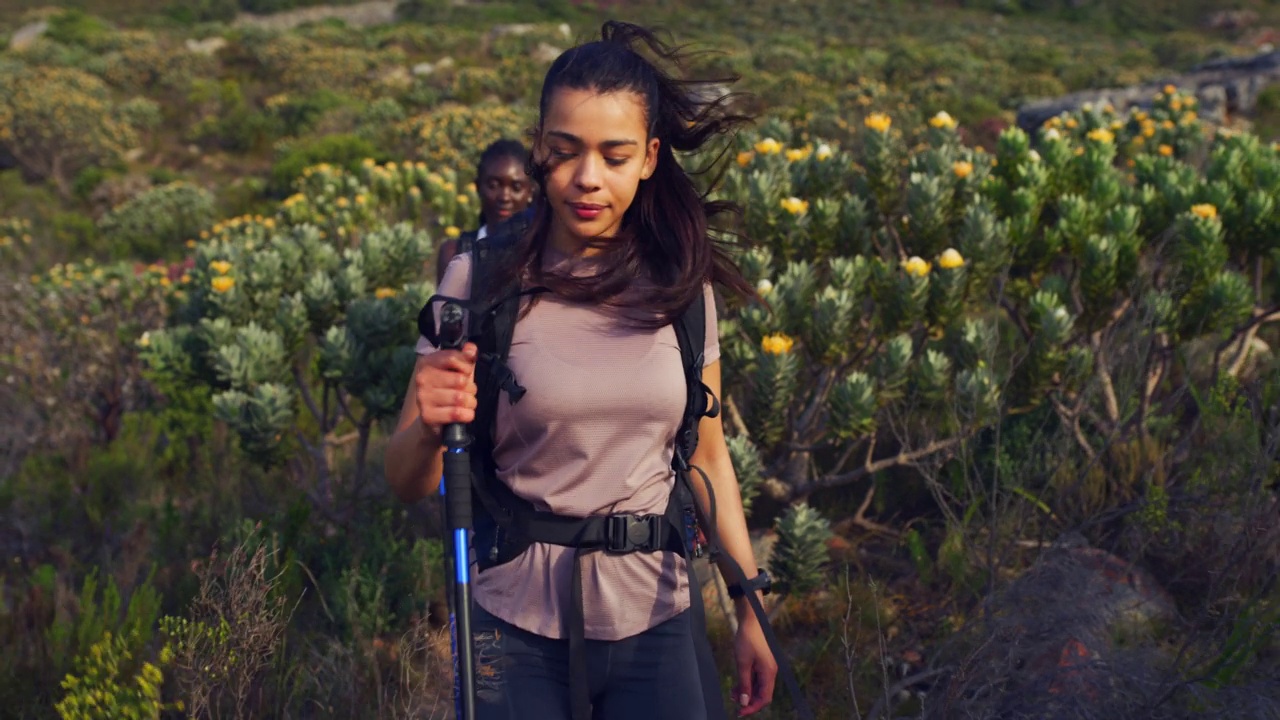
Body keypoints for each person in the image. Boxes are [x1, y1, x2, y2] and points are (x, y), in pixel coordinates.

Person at [385, 21, 776, 720]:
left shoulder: (682, 287)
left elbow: (709, 461)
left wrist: (751, 606)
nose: (587, 179)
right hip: (514, 623)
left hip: (655, 614)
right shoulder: (480, 279)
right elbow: (408, 479)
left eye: (614, 155)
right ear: (540, 148)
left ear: (651, 157)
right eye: (565, 153)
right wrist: (427, 424)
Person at [435, 139, 535, 285]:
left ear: (530, 192)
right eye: (493, 185)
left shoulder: (543, 257)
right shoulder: (454, 253)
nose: (505, 197)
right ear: (478, 187)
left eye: (516, 187)